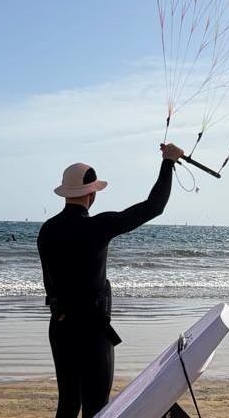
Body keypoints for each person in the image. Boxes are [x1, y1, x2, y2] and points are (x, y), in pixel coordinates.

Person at [38, 143, 183, 418]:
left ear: (66, 193)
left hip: (60, 326)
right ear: (91, 193)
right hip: (91, 331)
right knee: (97, 406)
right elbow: (154, 206)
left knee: (68, 403)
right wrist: (168, 162)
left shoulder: (47, 230)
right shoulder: (97, 227)